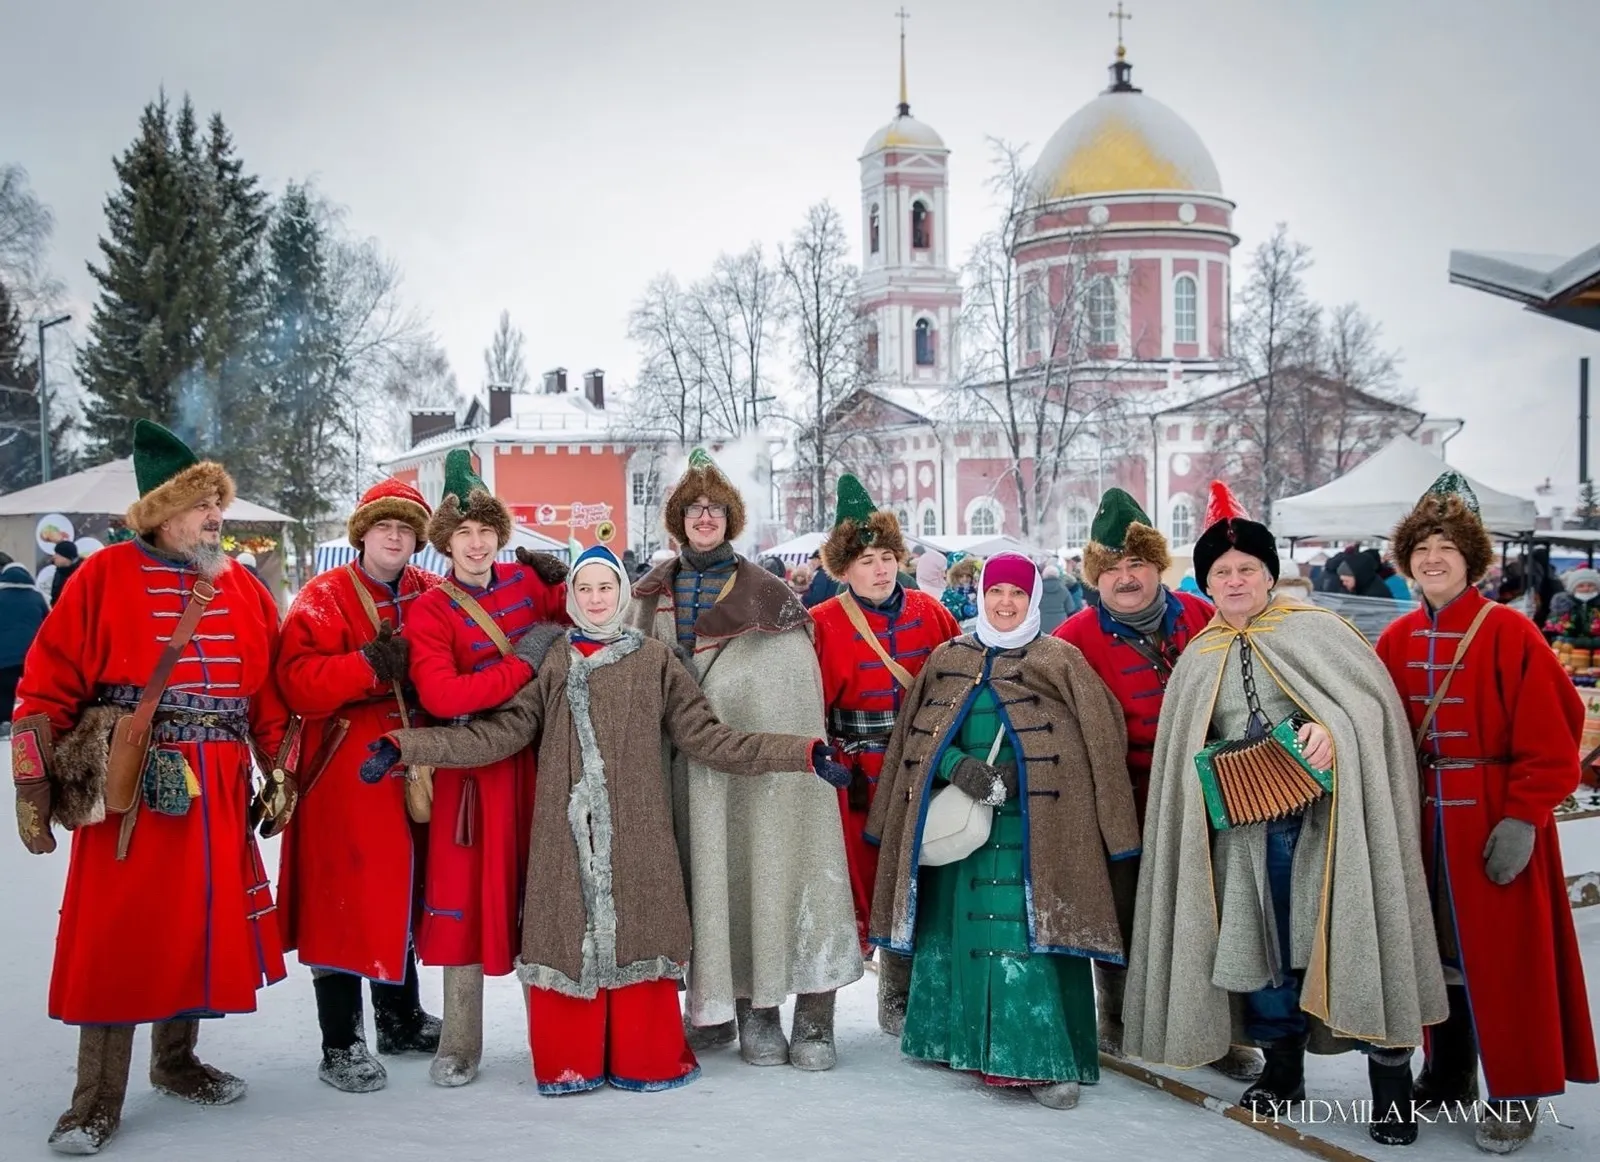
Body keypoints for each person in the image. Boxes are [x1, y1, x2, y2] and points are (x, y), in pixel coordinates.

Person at [361, 545, 852, 1095]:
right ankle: (572, 1059)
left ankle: (642, 1056)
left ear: (621, 593)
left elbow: (711, 739)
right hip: (565, 842)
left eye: (606, 588)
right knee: (567, 938)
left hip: (638, 840)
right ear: (572, 596)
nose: (596, 599)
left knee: (639, 935)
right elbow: (499, 734)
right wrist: (405, 746)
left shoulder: (655, 662)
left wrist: (803, 753)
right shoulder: (553, 661)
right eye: (585, 588)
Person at [1122, 481, 1446, 1148]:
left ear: (1269, 574)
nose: (1235, 581)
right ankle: (1283, 1069)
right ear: (1206, 584)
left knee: (1354, 939)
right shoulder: (1199, 655)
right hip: (1244, 834)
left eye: (1246, 569)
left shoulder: (1319, 632)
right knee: (1264, 952)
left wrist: (1334, 731)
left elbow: (1373, 715)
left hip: (1332, 828)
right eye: (1221, 573)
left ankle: (1389, 1087)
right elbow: (1185, 748)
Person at [11, 420, 293, 1155]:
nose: (216, 516)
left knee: (197, 924)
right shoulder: (101, 578)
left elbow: (266, 693)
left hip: (220, 786)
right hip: (131, 784)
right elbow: (43, 687)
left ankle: (176, 1062)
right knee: (118, 936)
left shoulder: (242, 586)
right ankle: (94, 1102)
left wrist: (279, 767)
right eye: (201, 505)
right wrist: (34, 787)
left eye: (218, 504)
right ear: (160, 513)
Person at [866, 553, 1140, 1109]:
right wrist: (956, 767)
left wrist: (1026, 772)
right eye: (996, 592)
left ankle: (1041, 1058)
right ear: (982, 595)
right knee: (959, 932)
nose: (1006, 603)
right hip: (961, 830)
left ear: (1033, 597)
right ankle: (956, 1043)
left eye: (1017, 593)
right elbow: (916, 738)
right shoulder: (948, 657)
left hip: (1038, 832)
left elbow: (1100, 738)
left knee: (1025, 936)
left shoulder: (1061, 659)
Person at [1377, 473, 1598, 1154]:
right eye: (1422, 549)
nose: (1432, 559)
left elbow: (1555, 734)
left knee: (1506, 962)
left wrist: (1523, 817)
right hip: (1420, 824)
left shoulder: (1510, 631)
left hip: (1495, 821)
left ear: (1471, 559)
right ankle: (1448, 1073)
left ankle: (1516, 1092)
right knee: (1434, 954)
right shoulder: (1395, 638)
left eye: (1446, 548)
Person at [627, 449, 861, 1069]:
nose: (705, 518)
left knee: (766, 869)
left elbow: (787, 692)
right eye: (694, 510)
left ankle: (778, 1013)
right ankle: (722, 1004)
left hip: (758, 772)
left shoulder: (771, 598)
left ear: (730, 519)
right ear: (679, 521)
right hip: (680, 768)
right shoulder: (648, 595)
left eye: (716, 509)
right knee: (706, 880)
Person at [1052, 488, 1261, 1081]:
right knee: (1121, 909)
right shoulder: (1072, 639)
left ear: (1157, 566)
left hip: (1209, 790)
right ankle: (1119, 1018)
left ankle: (1223, 1033)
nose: (1126, 578)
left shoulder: (1203, 616)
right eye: (1112, 567)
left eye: (1137, 563)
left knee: (1213, 909)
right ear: (1095, 575)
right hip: (1124, 795)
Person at [404, 449, 569, 1086]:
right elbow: (444, 695)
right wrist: (523, 664)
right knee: (463, 903)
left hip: (533, 765)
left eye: (485, 531)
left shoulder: (528, 583)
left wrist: (563, 580)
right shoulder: (430, 610)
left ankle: (548, 1035)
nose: (475, 544)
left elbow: (584, 616)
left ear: (501, 535)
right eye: (463, 533)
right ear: (445, 542)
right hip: (468, 773)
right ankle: (459, 1042)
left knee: (539, 897)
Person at [274, 477, 443, 1094]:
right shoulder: (322, 596)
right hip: (345, 766)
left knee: (403, 884)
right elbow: (295, 683)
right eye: (384, 527)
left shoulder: (431, 591)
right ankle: (340, 1043)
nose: (394, 538)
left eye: (405, 529)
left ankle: (399, 1018)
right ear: (363, 534)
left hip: (416, 757)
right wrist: (366, 664)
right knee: (342, 896)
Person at [809, 475, 960, 1034]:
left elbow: (958, 681)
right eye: (866, 560)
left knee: (916, 878)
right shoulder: (822, 623)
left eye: (888, 558)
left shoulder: (931, 612)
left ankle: (901, 998)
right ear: (844, 569)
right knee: (850, 886)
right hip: (856, 776)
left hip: (923, 769)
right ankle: (819, 1008)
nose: (880, 570)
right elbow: (810, 705)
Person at [0, 560, 49, 739]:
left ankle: (4, 722)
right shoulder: (37, 597)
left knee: (4, 690)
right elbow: (49, 622)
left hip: (4, 655)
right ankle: (34, 723)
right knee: (34, 691)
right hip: (32, 654)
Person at [1544, 567, 1600, 649]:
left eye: (1591, 585)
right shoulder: (1561, 606)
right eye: (1581, 586)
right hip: (1568, 651)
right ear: (1573, 588)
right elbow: (1552, 634)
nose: (1586, 589)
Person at [941, 555, 979, 624]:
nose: (965, 579)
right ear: (955, 577)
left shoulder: (975, 589)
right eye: (961, 576)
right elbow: (947, 608)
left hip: (973, 622)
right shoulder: (951, 591)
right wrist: (962, 609)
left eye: (968, 576)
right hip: (958, 623)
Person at [1037, 563, 1071, 633]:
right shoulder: (1063, 589)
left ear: (1043, 575)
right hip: (1060, 624)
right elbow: (1070, 608)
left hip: (1041, 623)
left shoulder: (1038, 589)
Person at [49, 539, 81, 605]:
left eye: (57, 554)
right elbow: (55, 597)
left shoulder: (82, 573)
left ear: (66, 556)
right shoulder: (59, 572)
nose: (54, 557)